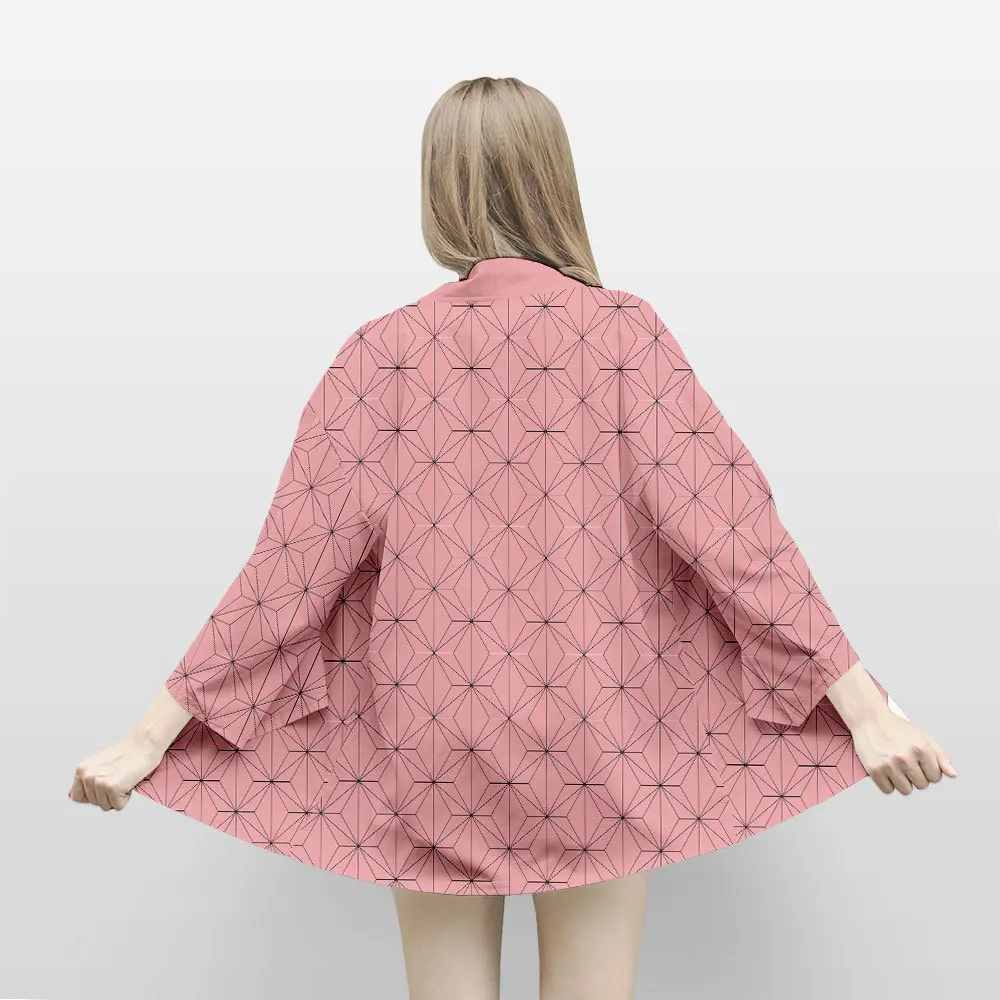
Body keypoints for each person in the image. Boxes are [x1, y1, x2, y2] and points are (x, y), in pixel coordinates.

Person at [68, 76, 955, 1000]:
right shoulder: (624, 336)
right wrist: (866, 711)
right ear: (554, 180)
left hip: (432, 736)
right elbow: (735, 530)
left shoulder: (383, 352)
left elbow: (291, 570)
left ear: (439, 189)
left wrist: (147, 738)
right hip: (596, 731)